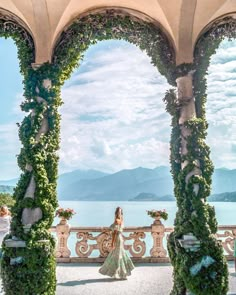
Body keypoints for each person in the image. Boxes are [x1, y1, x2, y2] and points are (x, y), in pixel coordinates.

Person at [99, 206, 134, 279]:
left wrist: (112, 243)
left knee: (116, 256)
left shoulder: (117, 221)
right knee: (120, 255)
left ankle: (118, 273)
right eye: (118, 212)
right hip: (120, 238)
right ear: (116, 213)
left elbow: (114, 233)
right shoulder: (121, 220)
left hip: (117, 239)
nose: (119, 213)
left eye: (120, 212)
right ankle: (121, 273)